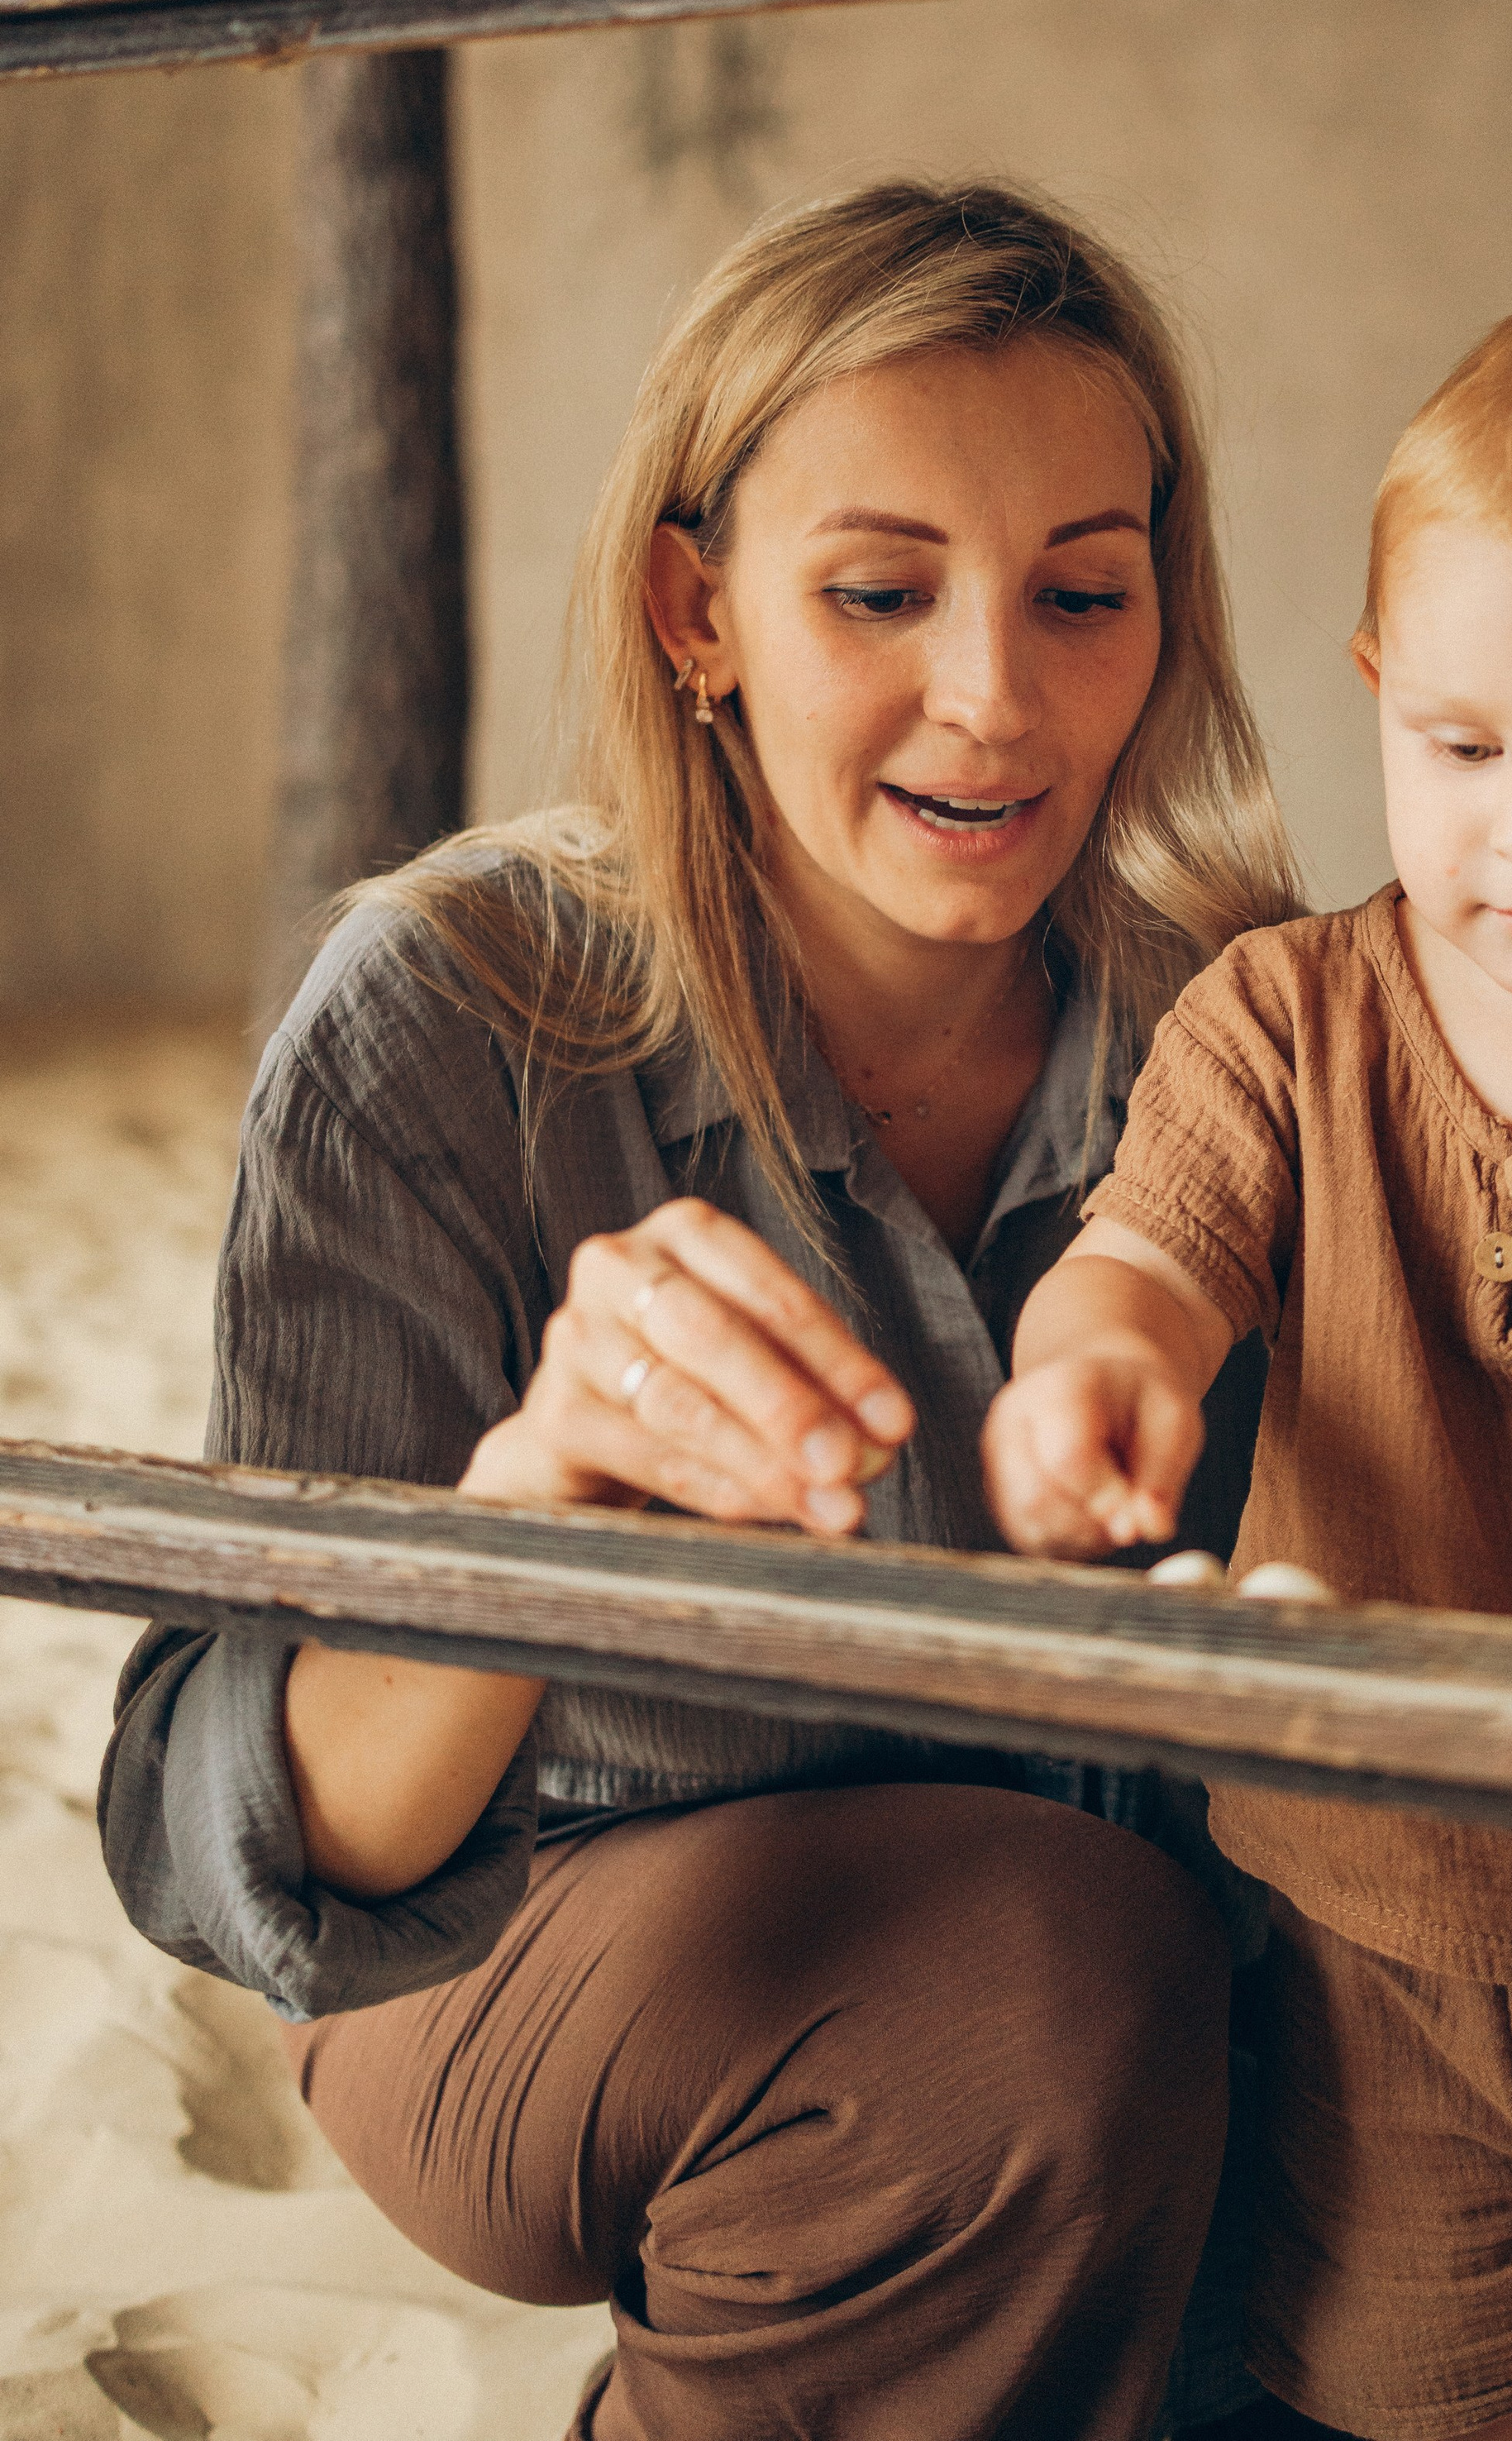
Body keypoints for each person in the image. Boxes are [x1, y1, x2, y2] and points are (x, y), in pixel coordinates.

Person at [99, 182, 1307, 2441]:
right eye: (878, 590)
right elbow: (231, 1832)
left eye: (1084, 593)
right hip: (517, 1959)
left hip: (1135, 1984)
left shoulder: (1252, 1021)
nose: (998, 695)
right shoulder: (440, 1020)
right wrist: (532, 1507)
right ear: (697, 604)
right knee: (1040, 1979)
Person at [987, 299, 1512, 2441]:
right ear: (1380, 702)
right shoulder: (1287, 1019)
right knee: (1401, 2385)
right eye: (1464, 747)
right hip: (1388, 1928)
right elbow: (1152, 1253)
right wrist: (1097, 1371)